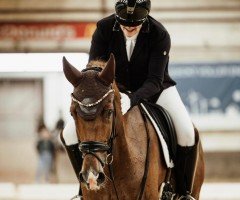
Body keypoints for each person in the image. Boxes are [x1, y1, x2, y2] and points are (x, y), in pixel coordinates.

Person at [62, 0, 198, 199]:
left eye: (134, 25)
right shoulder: (103, 28)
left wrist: (132, 98)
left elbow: (154, 80)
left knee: (186, 132)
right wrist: (113, 93)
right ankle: (83, 189)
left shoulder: (160, 34)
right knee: (68, 133)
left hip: (156, 90)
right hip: (112, 91)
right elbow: (94, 68)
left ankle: (184, 192)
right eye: (124, 24)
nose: (129, 28)